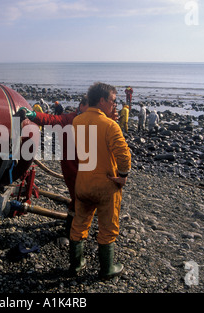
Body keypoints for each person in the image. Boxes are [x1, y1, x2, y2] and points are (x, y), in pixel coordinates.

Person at [70, 82, 131, 279]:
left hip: (83, 183)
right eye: (113, 101)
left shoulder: (77, 121)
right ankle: (106, 269)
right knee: (108, 228)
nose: (115, 105)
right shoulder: (110, 125)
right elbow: (123, 155)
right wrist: (122, 176)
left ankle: (76, 265)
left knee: (79, 224)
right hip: (105, 184)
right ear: (103, 100)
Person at [18, 96, 89, 235]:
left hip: (89, 167)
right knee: (78, 198)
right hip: (73, 167)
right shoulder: (69, 119)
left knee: (85, 199)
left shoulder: (96, 120)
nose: (93, 110)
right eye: (90, 106)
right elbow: (51, 120)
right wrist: (33, 115)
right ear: (81, 106)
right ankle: (73, 232)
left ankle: (77, 228)